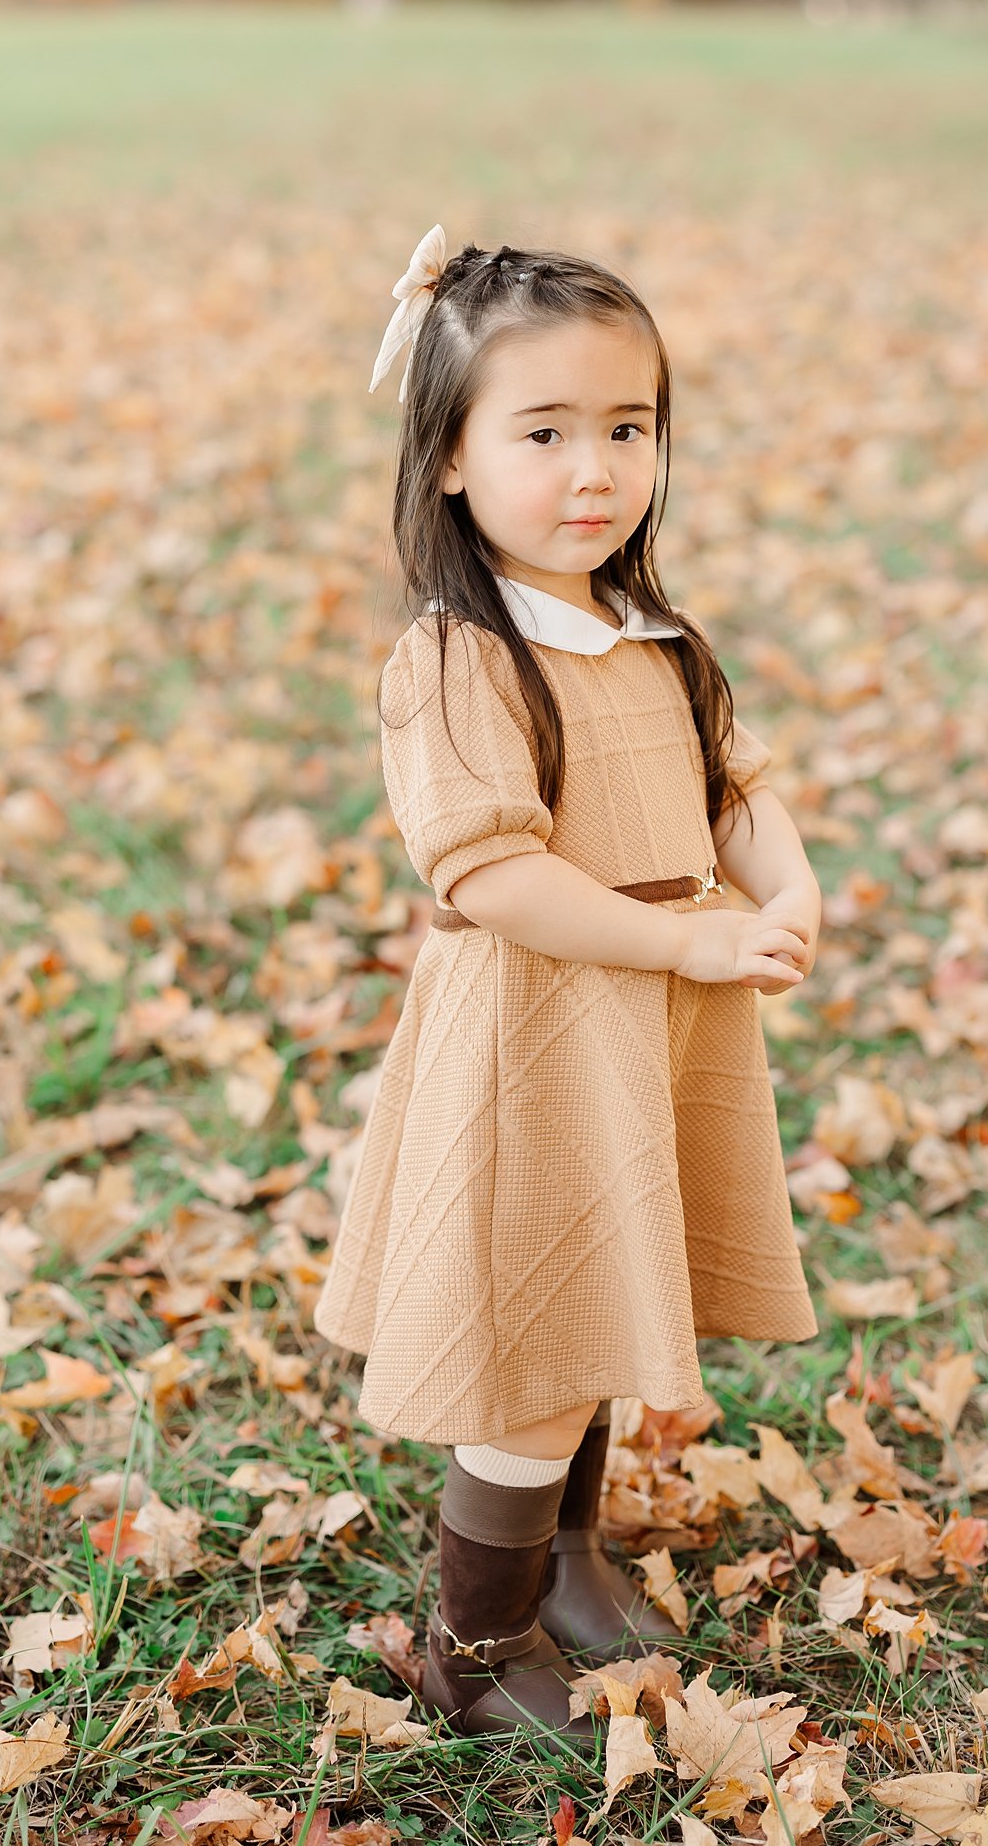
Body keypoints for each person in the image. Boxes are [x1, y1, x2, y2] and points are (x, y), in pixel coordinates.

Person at [312, 224, 821, 1747]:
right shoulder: (463, 659)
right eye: (544, 433)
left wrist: (783, 884)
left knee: (601, 1298)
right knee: (530, 1349)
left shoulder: (649, 636)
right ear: (452, 458)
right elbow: (489, 873)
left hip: (652, 1026)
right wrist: (687, 937)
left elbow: (733, 786)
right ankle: (468, 1638)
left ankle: (568, 1560)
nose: (594, 468)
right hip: (538, 1035)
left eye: (628, 427)